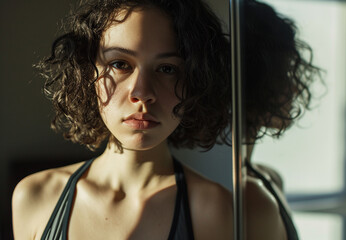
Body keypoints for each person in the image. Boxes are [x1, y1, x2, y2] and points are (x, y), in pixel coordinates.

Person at [12, 0, 233, 239]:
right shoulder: (35, 197)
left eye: (167, 68)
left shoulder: (213, 210)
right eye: (120, 64)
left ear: (194, 81)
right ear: (88, 74)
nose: (142, 92)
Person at [241, 1, 321, 240]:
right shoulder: (250, 196)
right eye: (284, 73)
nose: (295, 87)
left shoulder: (269, 178)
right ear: (256, 80)